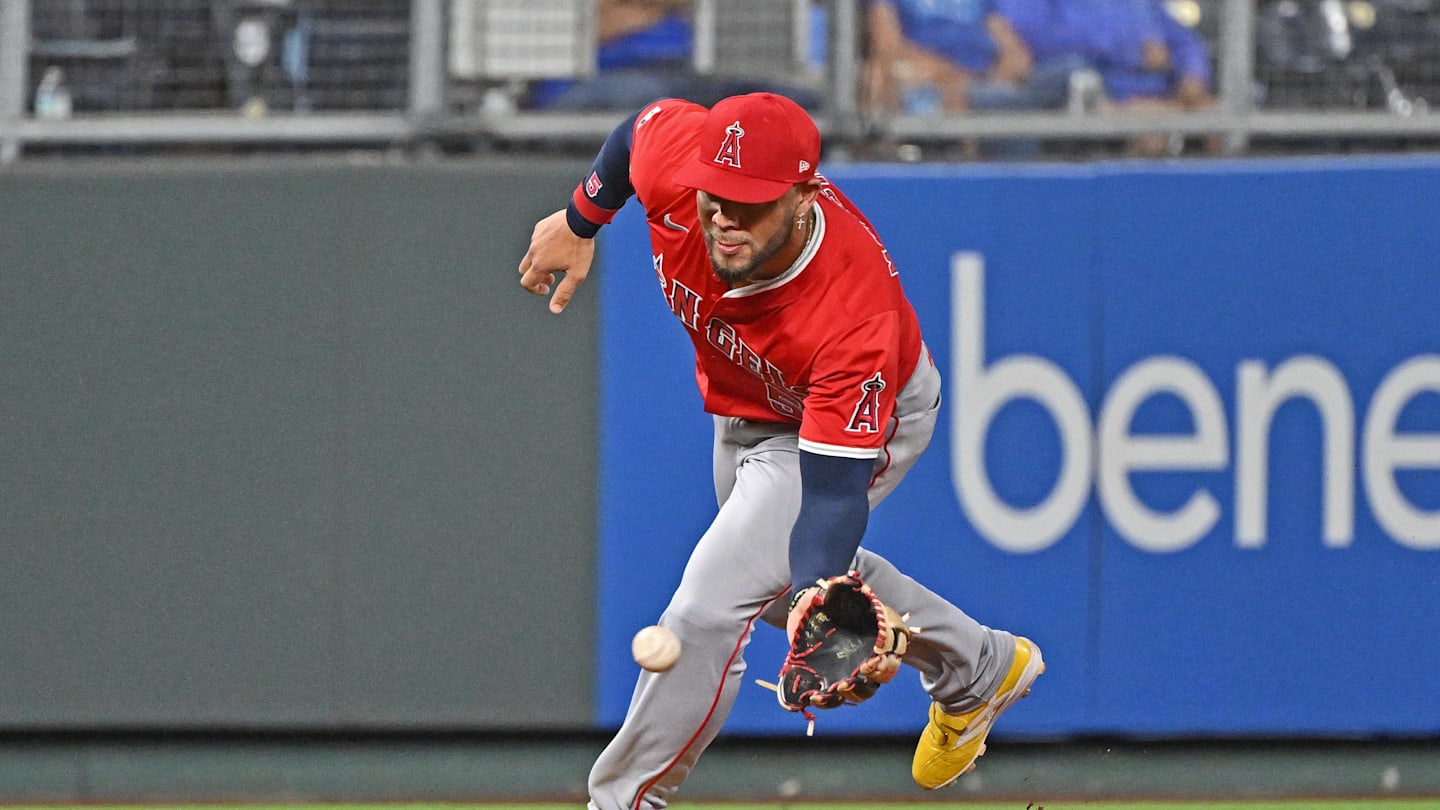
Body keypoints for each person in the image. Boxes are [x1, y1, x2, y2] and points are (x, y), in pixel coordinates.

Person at [517, 91, 1044, 808]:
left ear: (803, 196)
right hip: (748, 410)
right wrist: (581, 219)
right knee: (771, 592)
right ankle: (977, 664)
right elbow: (633, 136)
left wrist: (816, 594)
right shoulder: (681, 160)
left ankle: (623, 801)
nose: (725, 216)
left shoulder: (853, 317)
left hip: (861, 416)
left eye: (751, 201)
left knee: (708, 609)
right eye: (716, 194)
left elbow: (830, 495)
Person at [1000, 0, 1218, 154]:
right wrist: (1134, 56)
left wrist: (1193, 76)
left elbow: (1184, 41)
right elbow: (1039, 39)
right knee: (1074, 74)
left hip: (1161, 94)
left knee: (1239, 101)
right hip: (1088, 91)